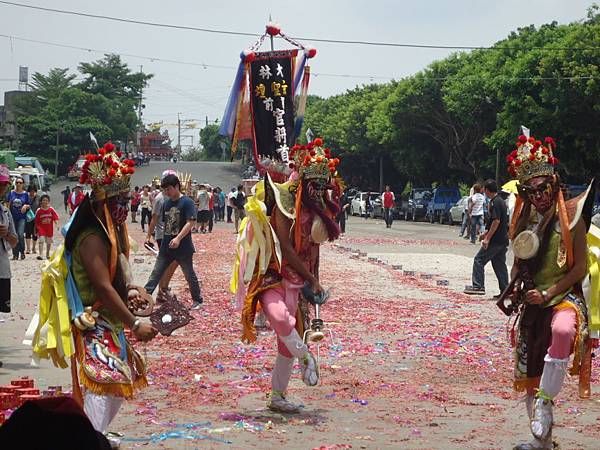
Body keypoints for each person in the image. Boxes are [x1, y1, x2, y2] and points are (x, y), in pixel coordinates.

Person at [30, 142, 158, 446]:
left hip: (109, 318)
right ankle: (87, 440)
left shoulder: (111, 230)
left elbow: (118, 271)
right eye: (120, 198)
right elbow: (101, 286)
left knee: (117, 380)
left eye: (126, 198)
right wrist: (134, 323)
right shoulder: (91, 237)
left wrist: (131, 289)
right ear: (103, 200)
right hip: (93, 318)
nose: (125, 205)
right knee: (106, 381)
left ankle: (91, 436)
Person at [500, 134, 595, 449]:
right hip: (532, 303)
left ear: (554, 185)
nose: (539, 195)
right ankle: (542, 441)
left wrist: (550, 292)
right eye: (531, 190)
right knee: (530, 372)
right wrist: (514, 289)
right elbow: (518, 263)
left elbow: (579, 267)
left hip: (562, 297)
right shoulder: (523, 220)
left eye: (543, 188)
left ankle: (546, 398)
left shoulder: (572, 217)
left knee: (563, 328)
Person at [233, 138, 341, 413]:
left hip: (299, 282)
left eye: (322, 186)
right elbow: (288, 250)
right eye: (314, 185)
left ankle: (278, 396)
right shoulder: (284, 204)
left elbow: (313, 252)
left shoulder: (321, 211)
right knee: (281, 319)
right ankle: (306, 357)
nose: (318, 191)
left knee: (285, 344)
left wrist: (314, 282)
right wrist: (312, 278)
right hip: (275, 276)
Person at [145, 173, 204, 309]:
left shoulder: (187, 202)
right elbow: (166, 225)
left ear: (177, 186)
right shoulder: (167, 203)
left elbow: (190, 223)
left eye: (169, 189)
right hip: (167, 247)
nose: (167, 192)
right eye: (164, 190)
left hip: (183, 247)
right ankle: (145, 298)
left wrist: (178, 238)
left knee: (189, 274)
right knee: (156, 273)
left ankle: (197, 299)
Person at [463, 179, 509, 296]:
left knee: (479, 260)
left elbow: (496, 221)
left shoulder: (495, 202)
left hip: (496, 240)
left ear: (488, 190)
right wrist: (485, 234)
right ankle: (505, 290)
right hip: (502, 239)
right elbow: (494, 221)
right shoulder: (499, 201)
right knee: (499, 264)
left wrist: (487, 238)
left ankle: (478, 286)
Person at [145, 170, 179, 303]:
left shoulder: (173, 198)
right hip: (162, 235)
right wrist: (148, 236)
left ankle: (162, 289)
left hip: (172, 235)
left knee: (172, 263)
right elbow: (154, 219)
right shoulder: (160, 199)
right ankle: (160, 291)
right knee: (166, 264)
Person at [0, 165, 18, 368]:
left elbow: (14, 241)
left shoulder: (5, 211)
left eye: (4, 185)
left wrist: (6, 234)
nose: (2, 188)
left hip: (3, 268)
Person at [7, 176, 29, 260]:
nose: (18, 184)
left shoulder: (25, 194)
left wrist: (25, 206)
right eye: (17, 182)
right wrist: (7, 215)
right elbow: (8, 204)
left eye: (20, 182)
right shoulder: (12, 193)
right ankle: (15, 254)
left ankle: (22, 251)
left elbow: (28, 204)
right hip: (12, 217)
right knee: (13, 235)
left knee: (20, 234)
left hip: (21, 217)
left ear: (23, 184)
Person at [34, 194, 59, 260]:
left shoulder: (51, 209)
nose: (45, 202)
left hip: (49, 228)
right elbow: (36, 221)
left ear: (48, 201)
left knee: (48, 242)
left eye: (46, 200)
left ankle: (47, 253)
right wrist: (36, 230)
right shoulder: (39, 210)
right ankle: (41, 255)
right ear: (41, 201)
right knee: (41, 240)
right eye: (44, 200)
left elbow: (55, 217)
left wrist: (57, 224)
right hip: (41, 228)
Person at [25, 185, 41, 255]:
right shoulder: (26, 197)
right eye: (31, 190)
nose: (32, 192)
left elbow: (40, 207)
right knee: (28, 232)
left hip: (36, 218)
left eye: (33, 191)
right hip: (27, 217)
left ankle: (34, 248)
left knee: (35, 233)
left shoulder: (38, 197)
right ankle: (28, 248)